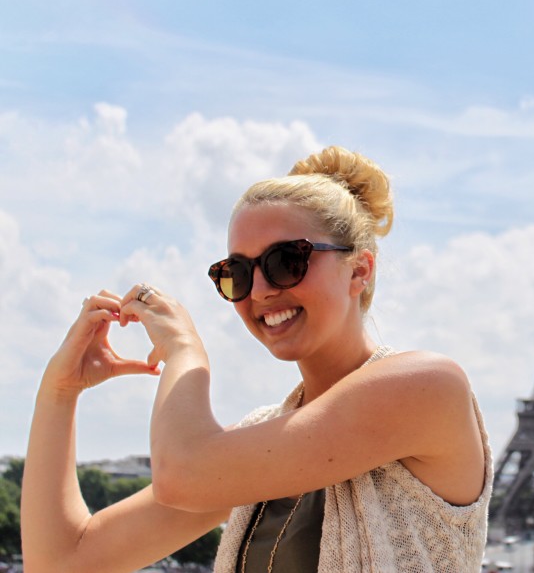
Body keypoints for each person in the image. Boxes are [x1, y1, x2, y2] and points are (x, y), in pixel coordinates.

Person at [21, 145, 492, 572]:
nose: (262, 291)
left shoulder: (427, 387)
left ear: (360, 269)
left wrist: (185, 350)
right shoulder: (262, 438)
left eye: (287, 261)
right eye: (237, 273)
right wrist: (59, 392)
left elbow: (180, 473)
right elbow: (63, 561)